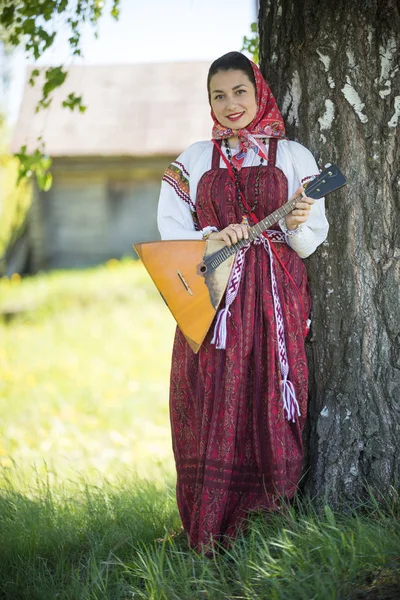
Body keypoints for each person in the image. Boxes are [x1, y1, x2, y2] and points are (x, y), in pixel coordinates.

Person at [157, 51, 329, 552]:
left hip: (276, 296)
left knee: (273, 395)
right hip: (214, 300)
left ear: (259, 93)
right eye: (219, 95)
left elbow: (311, 238)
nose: (230, 104)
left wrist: (297, 223)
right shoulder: (192, 159)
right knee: (209, 395)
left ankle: (270, 521)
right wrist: (212, 235)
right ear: (208, 102)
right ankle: (210, 528)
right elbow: (171, 232)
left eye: (239, 92)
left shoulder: (294, 156)